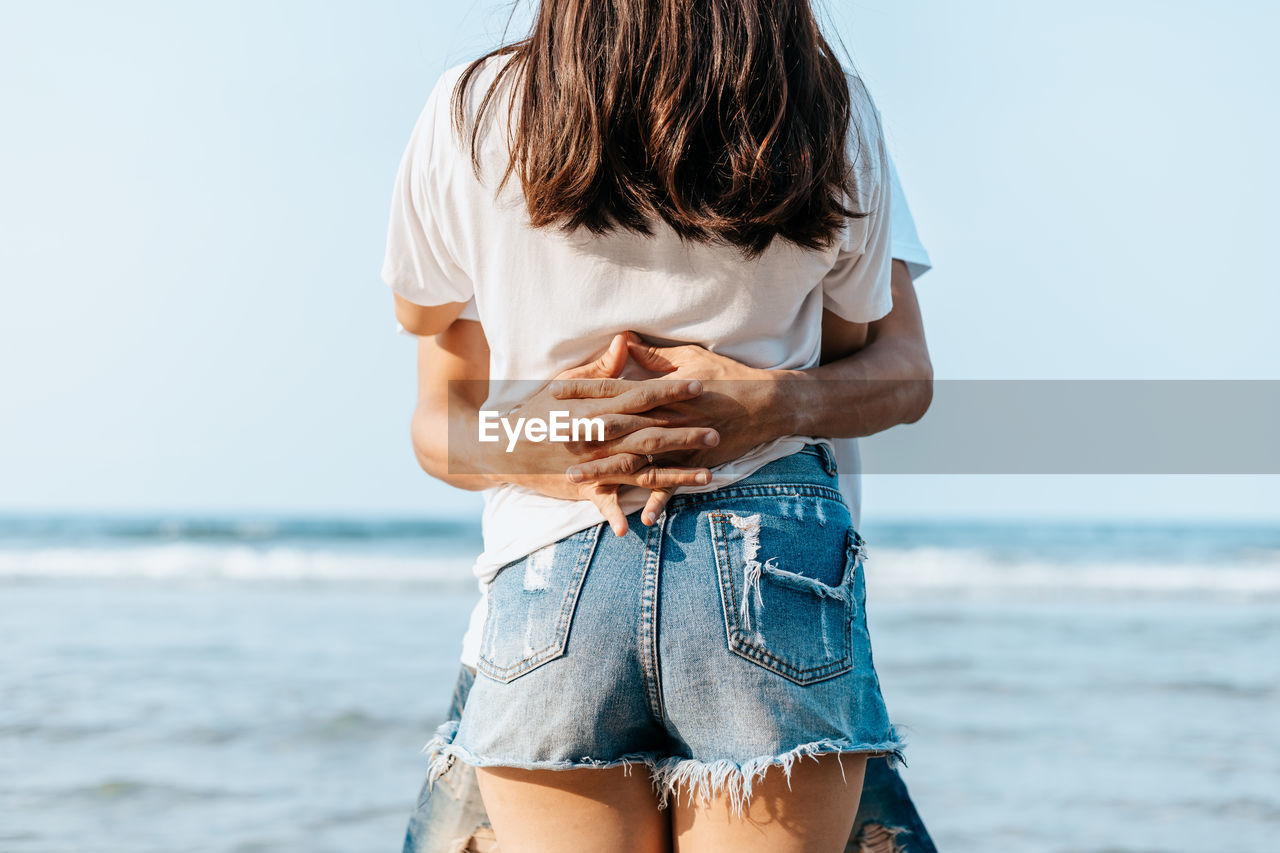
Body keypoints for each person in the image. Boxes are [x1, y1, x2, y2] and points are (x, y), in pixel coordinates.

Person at [384, 2, 931, 849]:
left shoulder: (473, 110)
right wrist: (776, 401)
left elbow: (437, 400)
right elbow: (870, 353)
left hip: (555, 568)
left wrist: (555, 450)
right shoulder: (826, 105)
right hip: (772, 557)